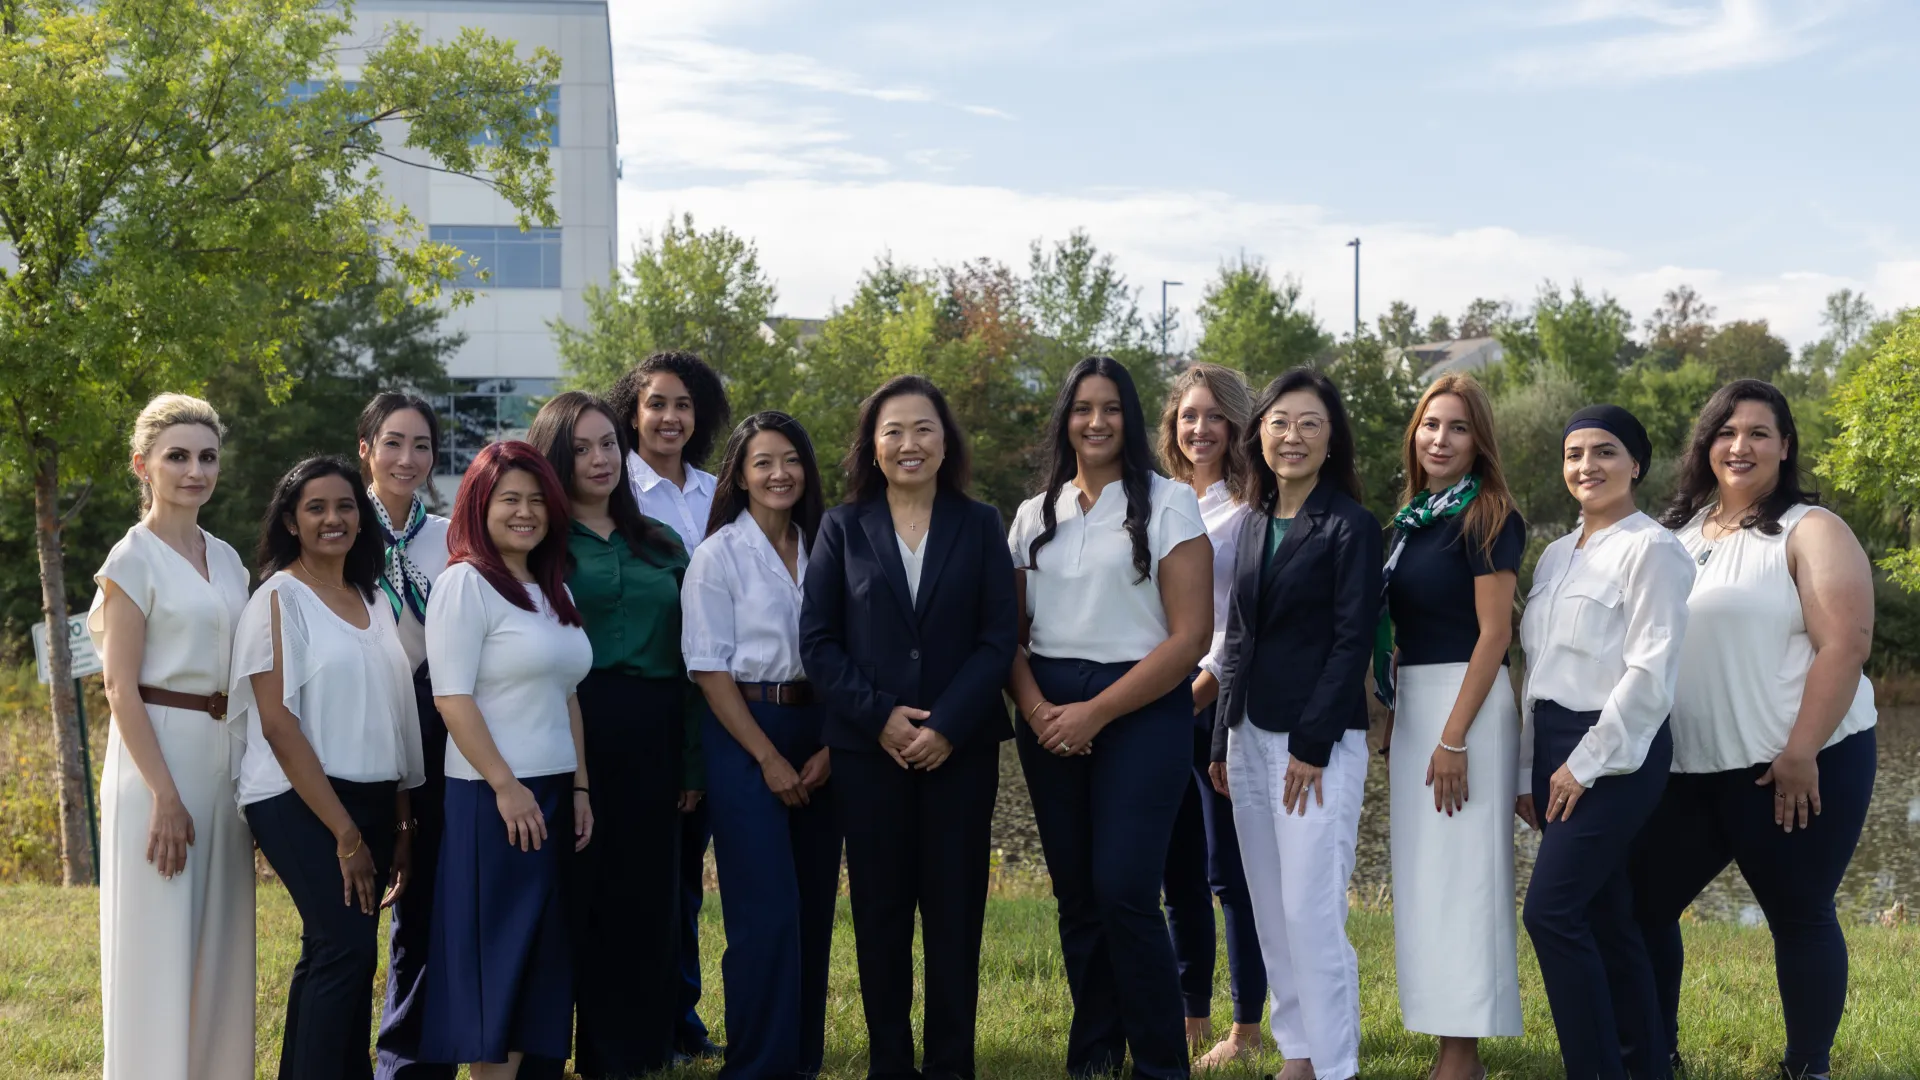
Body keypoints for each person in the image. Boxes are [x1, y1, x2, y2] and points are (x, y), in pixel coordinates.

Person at [1637, 380, 1877, 1080]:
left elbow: (1847, 644)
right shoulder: (1674, 533)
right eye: (1725, 432)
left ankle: (1807, 1067)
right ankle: (1657, 1056)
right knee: (1639, 903)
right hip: (1688, 769)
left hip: (1797, 761)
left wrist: (1801, 750)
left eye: (1758, 433)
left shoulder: (1811, 528)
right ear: (1706, 445)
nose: (1739, 446)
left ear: (1785, 446)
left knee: (1798, 912)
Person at [801, 377, 1018, 1080]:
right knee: (881, 915)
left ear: (945, 439)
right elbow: (819, 643)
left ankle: (951, 1065)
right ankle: (889, 1062)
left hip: (962, 752)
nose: (909, 444)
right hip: (870, 756)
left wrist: (948, 725)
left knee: (955, 919)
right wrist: (881, 718)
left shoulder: (982, 522)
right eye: (893, 431)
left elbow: (997, 637)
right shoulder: (841, 526)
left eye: (923, 429)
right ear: (872, 443)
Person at [1006, 356, 1213, 1080]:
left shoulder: (1169, 502)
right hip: (1049, 715)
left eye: (1111, 408)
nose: (1096, 422)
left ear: (1129, 419)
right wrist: (1036, 710)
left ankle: (1160, 1064)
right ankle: (1094, 1055)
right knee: (1078, 897)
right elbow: (1011, 635)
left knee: (1125, 888)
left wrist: (1094, 713)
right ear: (1065, 419)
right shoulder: (1035, 513)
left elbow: (1190, 637)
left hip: (1141, 709)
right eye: (1082, 408)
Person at [1208, 369, 1381, 1080]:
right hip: (1247, 736)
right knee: (1271, 909)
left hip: (1318, 744)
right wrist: (1221, 734)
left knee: (1312, 912)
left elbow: (1352, 641)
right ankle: (1297, 1053)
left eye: (1310, 423)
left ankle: (1336, 1065)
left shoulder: (1351, 526)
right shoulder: (1251, 521)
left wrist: (1312, 743)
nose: (1293, 436)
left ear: (1331, 437)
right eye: (1280, 422)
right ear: (1259, 433)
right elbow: (1238, 636)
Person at [231, 456, 426, 1080]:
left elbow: (396, 715)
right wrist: (346, 837)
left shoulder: (372, 598)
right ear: (291, 520)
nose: (333, 519)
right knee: (341, 947)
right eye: (316, 508)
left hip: (371, 797)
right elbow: (277, 724)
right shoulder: (276, 599)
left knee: (343, 955)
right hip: (296, 797)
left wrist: (399, 826)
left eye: (345, 506)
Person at [523, 393, 700, 1077]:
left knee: (644, 896)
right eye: (580, 448)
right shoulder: (538, 543)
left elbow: (693, 659)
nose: (599, 460)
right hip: (564, 726)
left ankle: (625, 1054)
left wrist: (691, 764)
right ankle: (540, 1050)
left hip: (654, 733)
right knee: (569, 893)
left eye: (607, 446)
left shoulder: (663, 543)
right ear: (553, 456)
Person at [1517, 404, 1693, 1080]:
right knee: (1606, 914)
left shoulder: (1654, 549)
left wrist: (1581, 766)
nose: (1586, 465)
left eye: (1605, 452)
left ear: (1637, 465)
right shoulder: (1557, 555)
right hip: (1556, 742)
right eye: (1574, 454)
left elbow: (1651, 674)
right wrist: (1530, 772)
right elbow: (1539, 676)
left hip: (1618, 748)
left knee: (1552, 913)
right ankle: (1644, 1064)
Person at [416, 441, 595, 1080]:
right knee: (498, 966)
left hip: (551, 793)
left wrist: (578, 788)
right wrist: (506, 786)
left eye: (536, 499)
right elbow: (452, 699)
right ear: (479, 505)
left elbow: (566, 695)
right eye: (509, 499)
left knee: (538, 963)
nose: (525, 512)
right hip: (494, 801)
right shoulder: (465, 583)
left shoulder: (552, 587)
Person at [88, 393, 255, 1080]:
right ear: (143, 466)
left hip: (224, 760)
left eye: (206, 457)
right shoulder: (131, 559)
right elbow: (119, 687)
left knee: (220, 942)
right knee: (157, 943)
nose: (195, 470)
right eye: (177, 456)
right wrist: (163, 795)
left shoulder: (229, 558)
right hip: (155, 761)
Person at [1379, 373, 1526, 1080]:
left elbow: (1494, 635)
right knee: (1425, 879)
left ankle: (1460, 1058)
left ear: (1479, 442)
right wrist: (1398, 710)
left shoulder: (1488, 514)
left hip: (1464, 708)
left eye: (1458, 427)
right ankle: (1443, 1041)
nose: (1440, 438)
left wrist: (1451, 736)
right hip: (1419, 706)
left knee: (1464, 877)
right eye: (1430, 424)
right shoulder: (1413, 518)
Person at [687, 411, 841, 1079]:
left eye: (791, 460)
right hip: (746, 734)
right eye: (762, 463)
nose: (779, 473)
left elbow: (849, 651)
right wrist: (768, 758)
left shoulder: (829, 544)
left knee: (811, 907)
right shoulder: (717, 554)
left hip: (823, 733)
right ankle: (756, 1065)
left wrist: (834, 745)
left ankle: (800, 1060)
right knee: (765, 912)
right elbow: (708, 671)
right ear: (740, 477)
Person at [608, 349, 731, 1060]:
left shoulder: (719, 494)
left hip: (711, 706)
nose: (670, 417)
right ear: (634, 410)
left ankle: (680, 1018)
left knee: (686, 875)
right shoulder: (611, 489)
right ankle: (631, 1018)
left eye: (683, 405)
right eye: (657, 403)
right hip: (636, 703)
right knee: (632, 877)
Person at [1154, 364, 1268, 1067]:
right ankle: (1190, 1019)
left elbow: (1236, 629)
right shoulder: (1158, 502)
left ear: (1236, 426)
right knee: (1177, 873)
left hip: (1217, 710)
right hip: (1159, 703)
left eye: (1213, 416)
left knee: (1231, 874)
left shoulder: (1249, 512)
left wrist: (1186, 695)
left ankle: (1246, 1030)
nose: (1199, 429)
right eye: (1187, 416)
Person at [361, 393, 457, 1080]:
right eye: (393, 442)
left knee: (423, 892)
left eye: (421, 446)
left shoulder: (452, 535)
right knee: (352, 899)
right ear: (365, 447)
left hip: (436, 716)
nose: (407, 459)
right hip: (358, 716)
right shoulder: (336, 524)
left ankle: (409, 1059)